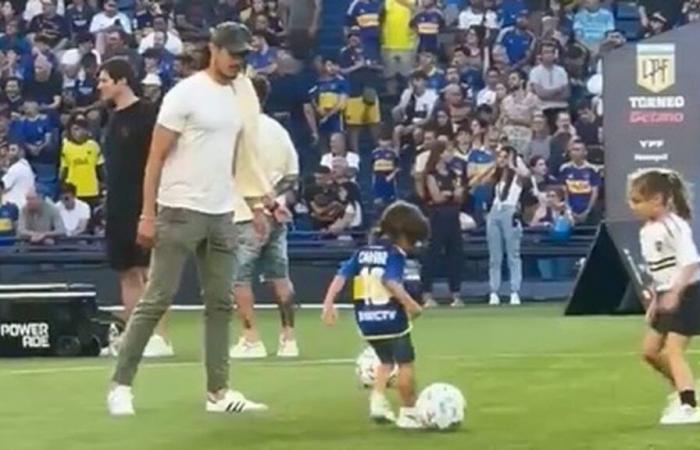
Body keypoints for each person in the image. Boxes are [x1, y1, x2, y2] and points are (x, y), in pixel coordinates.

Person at [107, 22, 270, 416]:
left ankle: (219, 391)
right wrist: (148, 214)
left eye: (244, 55)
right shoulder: (185, 94)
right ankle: (120, 385)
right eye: (233, 53)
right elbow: (156, 157)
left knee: (219, 303)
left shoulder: (239, 95)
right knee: (157, 297)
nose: (238, 61)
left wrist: (255, 203)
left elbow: (238, 156)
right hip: (180, 208)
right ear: (213, 50)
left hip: (221, 211)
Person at [321, 201, 429, 429]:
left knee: (385, 360)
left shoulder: (362, 253)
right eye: (413, 240)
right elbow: (389, 281)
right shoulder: (395, 255)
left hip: (367, 321)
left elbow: (341, 276)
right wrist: (412, 305)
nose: (413, 245)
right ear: (403, 235)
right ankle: (409, 413)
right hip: (392, 320)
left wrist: (328, 303)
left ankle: (378, 403)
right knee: (405, 363)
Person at [98, 58, 173, 360]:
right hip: (117, 204)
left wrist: (151, 208)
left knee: (152, 273)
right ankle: (135, 338)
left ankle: (161, 337)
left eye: (104, 80)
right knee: (126, 271)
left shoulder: (147, 115)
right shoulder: (111, 118)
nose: (99, 85)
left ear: (122, 81)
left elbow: (160, 161)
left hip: (144, 203)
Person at [229, 75, 300, 360]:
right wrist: (272, 199)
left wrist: (258, 202)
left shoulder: (237, 132)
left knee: (239, 278)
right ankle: (289, 339)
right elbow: (292, 176)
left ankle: (251, 339)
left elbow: (232, 174)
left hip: (244, 215)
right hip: (277, 214)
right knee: (280, 276)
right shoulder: (278, 130)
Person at [629, 168, 700, 425]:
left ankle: (689, 406)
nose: (632, 206)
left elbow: (690, 262)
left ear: (657, 199)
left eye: (637, 200)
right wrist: (656, 302)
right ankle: (684, 390)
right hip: (666, 295)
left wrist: (675, 292)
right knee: (649, 352)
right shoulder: (646, 231)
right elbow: (658, 272)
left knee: (673, 349)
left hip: (688, 293)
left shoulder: (674, 226)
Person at [473, 146, 530, 306]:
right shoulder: (498, 176)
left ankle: (514, 290)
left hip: (510, 210)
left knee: (513, 254)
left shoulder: (517, 175)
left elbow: (526, 175)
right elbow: (479, 181)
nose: (502, 160)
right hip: (495, 211)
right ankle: (494, 291)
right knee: (495, 256)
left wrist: (513, 163)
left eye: (505, 157)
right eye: (501, 157)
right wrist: (492, 166)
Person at [421, 141, 465, 308]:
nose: (451, 155)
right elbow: (436, 197)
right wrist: (451, 194)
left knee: (455, 255)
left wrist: (456, 194)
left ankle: (456, 293)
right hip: (437, 217)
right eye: (448, 151)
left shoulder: (454, 174)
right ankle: (427, 294)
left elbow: (459, 196)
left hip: (453, 216)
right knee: (432, 255)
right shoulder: (431, 175)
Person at [59, 114, 104, 208]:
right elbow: (64, 169)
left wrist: (103, 185)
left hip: (91, 190)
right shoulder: (66, 147)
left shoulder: (93, 145)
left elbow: (100, 168)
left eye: (81, 129)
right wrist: (63, 187)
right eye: (75, 129)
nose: (79, 132)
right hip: (73, 191)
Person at [2, 142, 35, 209]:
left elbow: (2, 187)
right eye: (9, 150)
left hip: (13, 208)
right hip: (22, 207)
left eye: (13, 150)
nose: (10, 153)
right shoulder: (26, 166)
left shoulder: (16, 168)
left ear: (21, 152)